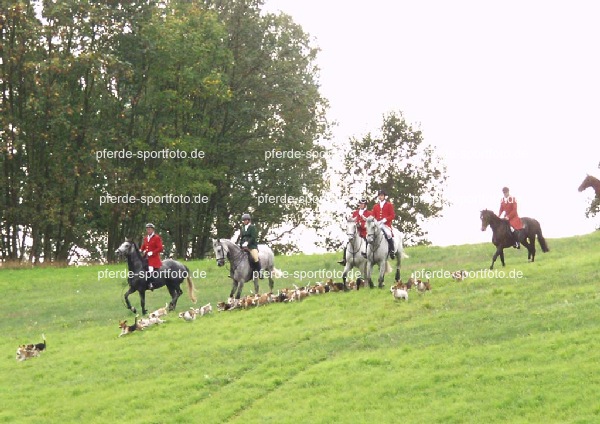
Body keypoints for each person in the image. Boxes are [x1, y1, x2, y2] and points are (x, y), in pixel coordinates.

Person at [338, 198, 372, 265]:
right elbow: (352, 222)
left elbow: (368, 224)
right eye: (360, 204)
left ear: (365, 205)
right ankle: (344, 259)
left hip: (364, 232)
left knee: (367, 242)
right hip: (355, 233)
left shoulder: (369, 213)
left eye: (362, 204)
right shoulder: (355, 213)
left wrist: (361, 225)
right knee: (347, 243)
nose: (361, 205)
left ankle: (368, 257)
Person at [371, 189, 396, 259]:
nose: (380, 197)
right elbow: (373, 215)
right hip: (377, 224)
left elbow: (392, 215)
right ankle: (368, 252)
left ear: (384, 196)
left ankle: (392, 250)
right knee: (370, 234)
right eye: (379, 195)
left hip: (386, 224)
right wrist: (375, 221)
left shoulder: (389, 205)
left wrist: (385, 219)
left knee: (388, 234)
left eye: (381, 195)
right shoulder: (375, 206)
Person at [140, 223, 163, 289]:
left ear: (153, 230)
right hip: (146, 257)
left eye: (149, 229)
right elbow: (143, 247)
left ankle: (151, 283)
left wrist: (152, 252)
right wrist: (141, 250)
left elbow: (160, 248)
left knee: (150, 269)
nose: (148, 231)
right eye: (147, 229)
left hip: (154, 259)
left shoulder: (157, 238)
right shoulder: (146, 238)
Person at [239, 213, 262, 278]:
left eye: (245, 220)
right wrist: (240, 244)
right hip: (244, 247)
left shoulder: (252, 227)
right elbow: (242, 237)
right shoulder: (243, 228)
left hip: (252, 246)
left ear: (248, 220)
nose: (244, 222)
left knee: (255, 258)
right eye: (243, 220)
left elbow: (253, 237)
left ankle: (260, 272)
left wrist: (247, 243)